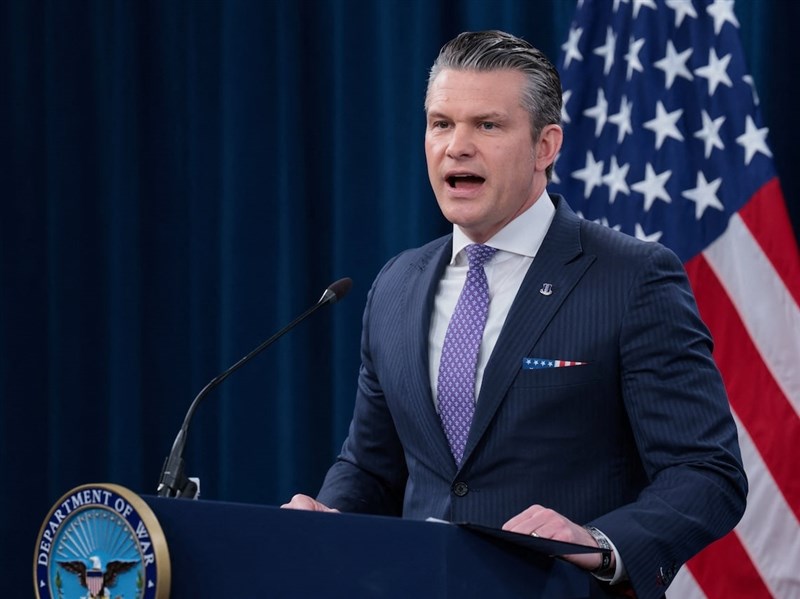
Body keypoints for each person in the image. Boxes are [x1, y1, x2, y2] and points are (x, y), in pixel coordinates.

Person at [282, 30, 746, 598]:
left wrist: (600, 543)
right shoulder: (396, 285)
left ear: (545, 146)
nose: (456, 146)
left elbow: (706, 472)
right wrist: (326, 516)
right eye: (441, 123)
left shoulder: (632, 278)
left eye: (487, 125)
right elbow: (373, 469)